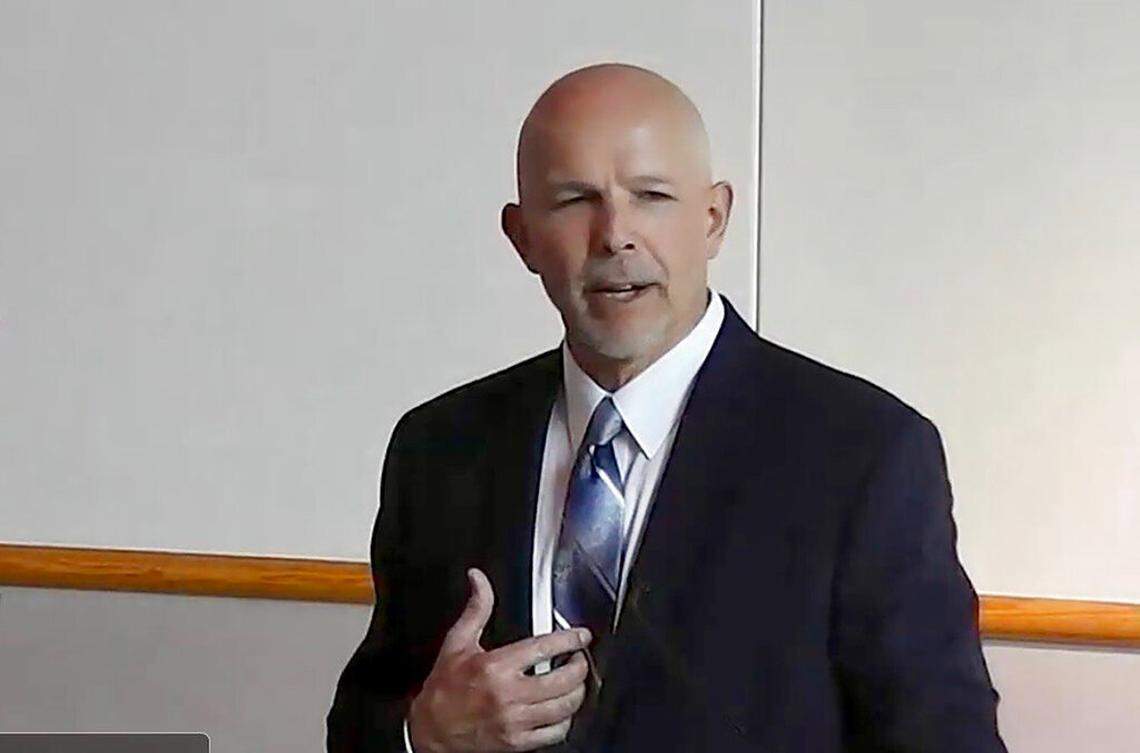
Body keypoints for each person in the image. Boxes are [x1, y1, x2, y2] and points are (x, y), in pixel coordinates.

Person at [326, 62, 1008, 752]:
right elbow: (359, 725)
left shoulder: (865, 452)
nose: (615, 235)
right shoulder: (439, 447)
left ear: (713, 220)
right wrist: (423, 735)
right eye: (573, 200)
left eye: (651, 195)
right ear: (522, 237)